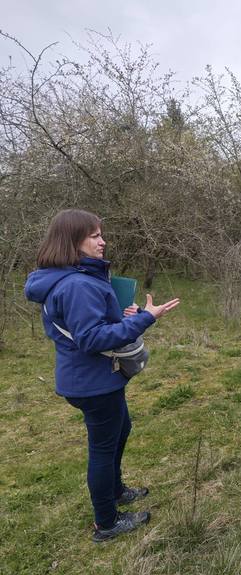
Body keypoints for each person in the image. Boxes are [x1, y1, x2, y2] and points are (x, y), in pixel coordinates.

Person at [24, 209, 180, 542]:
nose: (102, 241)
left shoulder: (70, 277)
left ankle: (116, 490)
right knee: (103, 448)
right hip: (93, 382)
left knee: (121, 428)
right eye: (94, 236)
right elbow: (92, 339)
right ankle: (106, 522)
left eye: (101, 234)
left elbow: (92, 325)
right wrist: (145, 319)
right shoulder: (77, 284)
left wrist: (127, 316)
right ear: (72, 241)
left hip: (93, 378)